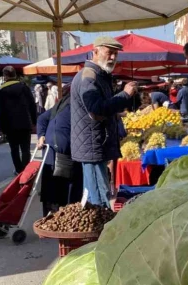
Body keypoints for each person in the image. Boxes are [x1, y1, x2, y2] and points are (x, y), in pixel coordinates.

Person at [70, 36, 136, 208]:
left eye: (115, 54)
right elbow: (97, 109)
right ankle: (99, 233)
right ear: (96, 51)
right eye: (109, 53)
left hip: (95, 145)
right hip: (92, 146)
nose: (113, 57)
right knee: (99, 200)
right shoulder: (89, 76)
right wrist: (125, 95)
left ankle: (96, 230)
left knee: (95, 197)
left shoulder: (100, 75)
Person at [36, 84, 83, 215]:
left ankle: (52, 216)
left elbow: (41, 118)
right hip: (62, 154)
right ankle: (63, 217)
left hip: (53, 153)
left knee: (53, 189)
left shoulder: (62, 104)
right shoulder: (74, 106)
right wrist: (41, 135)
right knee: (65, 190)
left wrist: (41, 136)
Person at [0, 66, 37, 175]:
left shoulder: (1, 90)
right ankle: (26, 170)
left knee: (14, 149)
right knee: (25, 149)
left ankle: (18, 170)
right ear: (15, 74)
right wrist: (34, 121)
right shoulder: (24, 87)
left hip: (10, 126)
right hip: (25, 123)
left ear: (5, 76)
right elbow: (32, 105)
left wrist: (0, 127)